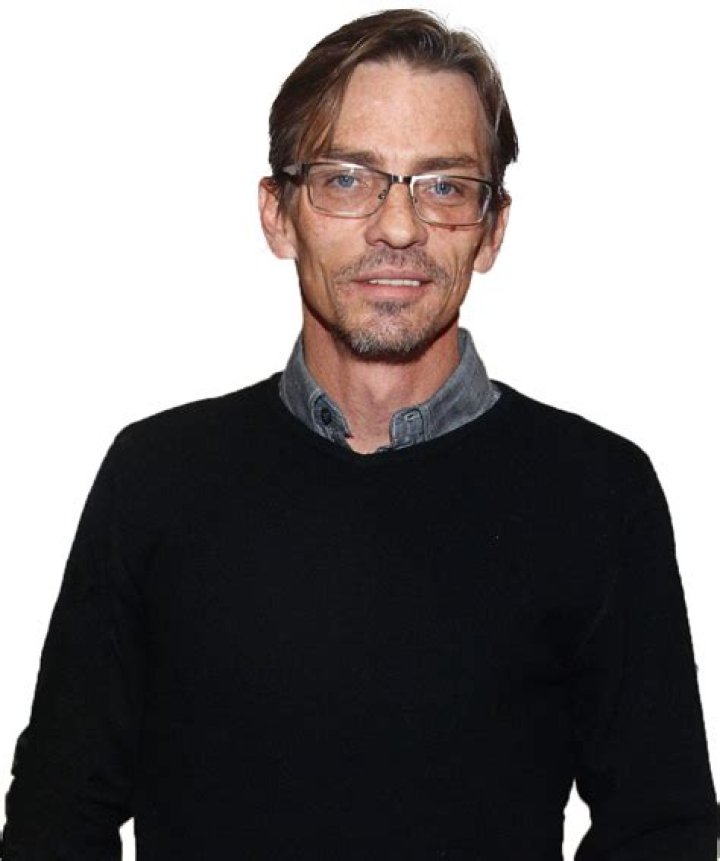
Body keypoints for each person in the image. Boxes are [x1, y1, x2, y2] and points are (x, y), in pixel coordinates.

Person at [1, 8, 716, 859]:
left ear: (492, 229)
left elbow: (661, 830)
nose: (399, 227)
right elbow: (56, 818)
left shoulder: (598, 493)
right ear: (278, 213)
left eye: (445, 186)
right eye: (348, 178)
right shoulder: (157, 478)